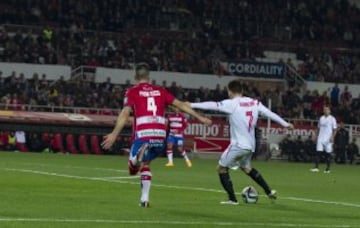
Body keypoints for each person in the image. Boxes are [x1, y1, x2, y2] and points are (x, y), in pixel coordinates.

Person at [101, 63, 211, 208]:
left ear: (135, 77)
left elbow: (125, 113)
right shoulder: (160, 91)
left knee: (132, 169)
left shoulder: (132, 91)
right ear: (148, 77)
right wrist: (200, 118)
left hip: (143, 132)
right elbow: (181, 105)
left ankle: (136, 159)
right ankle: (144, 199)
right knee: (146, 164)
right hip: (160, 134)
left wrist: (114, 134)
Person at [189, 80, 294, 205]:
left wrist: (191, 104)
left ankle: (232, 199)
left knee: (221, 168)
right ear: (242, 91)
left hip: (238, 145)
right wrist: (286, 124)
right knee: (246, 168)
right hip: (251, 145)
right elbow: (269, 113)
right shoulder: (254, 102)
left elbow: (212, 105)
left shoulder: (232, 103)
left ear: (229, 91)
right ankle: (269, 191)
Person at [310, 106, 337, 173]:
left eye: (327, 110)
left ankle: (328, 169)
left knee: (328, 154)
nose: (325, 111)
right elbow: (318, 128)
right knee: (318, 153)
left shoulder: (332, 119)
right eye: (324, 110)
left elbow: (335, 129)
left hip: (328, 139)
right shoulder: (321, 118)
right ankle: (316, 168)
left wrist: (332, 137)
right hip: (320, 138)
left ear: (329, 111)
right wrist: (315, 136)